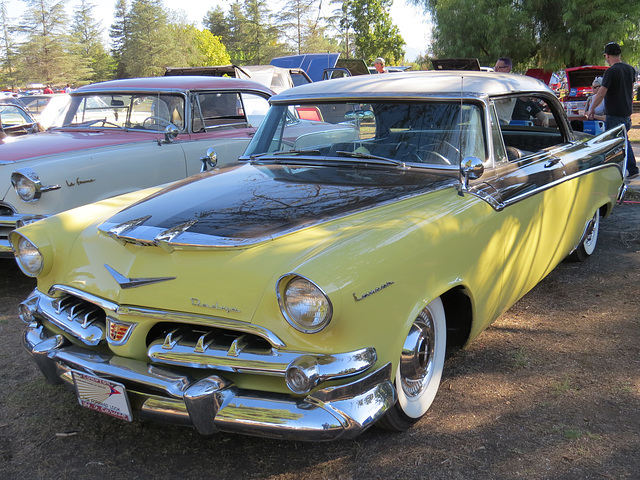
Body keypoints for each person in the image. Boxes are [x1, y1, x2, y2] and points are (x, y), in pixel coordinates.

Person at [586, 42, 639, 178]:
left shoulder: (611, 71)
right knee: (622, 140)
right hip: (626, 112)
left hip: (614, 114)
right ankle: (627, 168)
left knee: (616, 142)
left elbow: (601, 93)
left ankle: (629, 169)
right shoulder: (630, 69)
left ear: (607, 56)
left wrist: (592, 109)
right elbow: (631, 90)